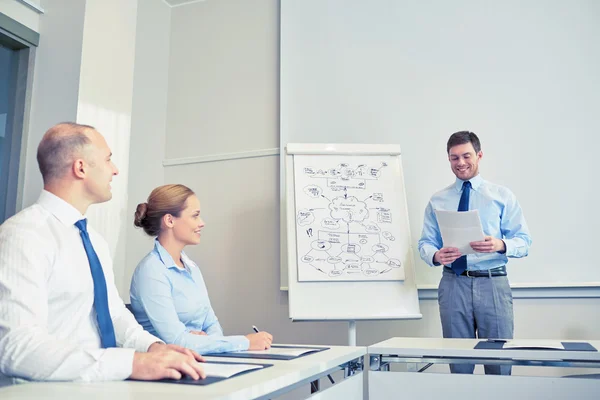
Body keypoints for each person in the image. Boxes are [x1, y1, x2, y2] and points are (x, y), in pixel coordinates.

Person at [0, 122, 206, 386]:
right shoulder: (22, 236)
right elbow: (16, 347)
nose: (115, 169)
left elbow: (114, 314)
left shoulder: (94, 241)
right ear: (81, 168)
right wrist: (130, 363)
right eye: (108, 159)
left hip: (101, 386)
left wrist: (154, 348)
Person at [418, 131, 532, 375]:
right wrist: (437, 256)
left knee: (498, 363)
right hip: (452, 284)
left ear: (479, 155)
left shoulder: (502, 196)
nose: (460, 163)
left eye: (466, 156)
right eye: (454, 158)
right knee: (458, 362)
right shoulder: (437, 200)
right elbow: (425, 243)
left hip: (492, 283)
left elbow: (524, 241)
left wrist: (500, 244)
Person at [130, 184, 273, 355]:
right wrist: (245, 342)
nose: (202, 223)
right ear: (169, 220)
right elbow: (177, 341)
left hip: (197, 361)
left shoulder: (191, 267)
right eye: (195, 216)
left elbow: (212, 324)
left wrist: (201, 342)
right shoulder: (151, 272)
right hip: (164, 369)